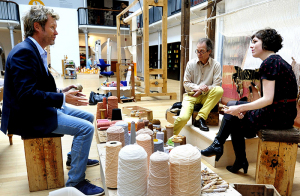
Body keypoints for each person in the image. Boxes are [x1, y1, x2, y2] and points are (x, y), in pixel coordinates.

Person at [0, 6, 104, 195]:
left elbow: (34, 86)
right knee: (86, 129)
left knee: (88, 118)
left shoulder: (33, 49)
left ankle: (74, 158)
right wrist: (62, 98)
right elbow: (27, 96)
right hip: (30, 117)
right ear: (37, 26)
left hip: (38, 109)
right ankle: (76, 182)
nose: (56, 32)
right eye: (52, 27)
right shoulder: (24, 52)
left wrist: (60, 91)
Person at [201, 28, 297, 174]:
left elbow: (268, 99)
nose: (251, 46)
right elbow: (271, 99)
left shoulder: (270, 63)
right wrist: (243, 108)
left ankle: (227, 150)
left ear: (266, 44)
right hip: (283, 113)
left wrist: (241, 109)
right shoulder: (276, 61)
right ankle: (228, 151)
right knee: (233, 108)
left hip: (278, 117)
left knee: (234, 115)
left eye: (255, 42)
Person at [173, 38, 223, 134]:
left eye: (202, 51)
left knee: (219, 90)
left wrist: (204, 90)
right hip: (191, 95)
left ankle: (200, 117)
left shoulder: (216, 65)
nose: (199, 54)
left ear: (209, 52)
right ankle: (171, 137)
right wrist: (199, 88)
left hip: (206, 96)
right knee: (183, 118)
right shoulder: (191, 64)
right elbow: (186, 83)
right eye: (197, 51)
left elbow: (216, 85)